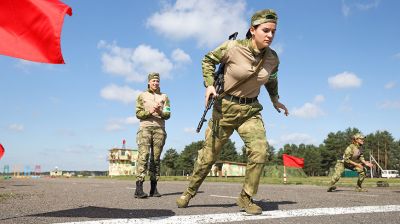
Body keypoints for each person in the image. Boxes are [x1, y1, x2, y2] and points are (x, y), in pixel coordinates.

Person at [176, 9, 288, 215]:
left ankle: (246, 197)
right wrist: (209, 85)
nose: (270, 35)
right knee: (208, 157)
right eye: (265, 30)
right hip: (224, 109)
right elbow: (208, 60)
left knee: (260, 150)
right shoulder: (233, 47)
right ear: (252, 30)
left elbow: (271, 79)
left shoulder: (273, 58)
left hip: (250, 110)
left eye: (273, 32)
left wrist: (275, 100)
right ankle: (189, 191)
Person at [134, 72, 171, 198]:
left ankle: (153, 189)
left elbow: (168, 115)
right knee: (143, 157)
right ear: (149, 82)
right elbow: (138, 113)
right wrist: (150, 111)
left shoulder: (164, 97)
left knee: (155, 159)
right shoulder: (142, 96)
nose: (155, 83)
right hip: (145, 129)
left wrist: (159, 111)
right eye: (153, 81)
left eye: (157, 81)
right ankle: (138, 188)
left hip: (159, 130)